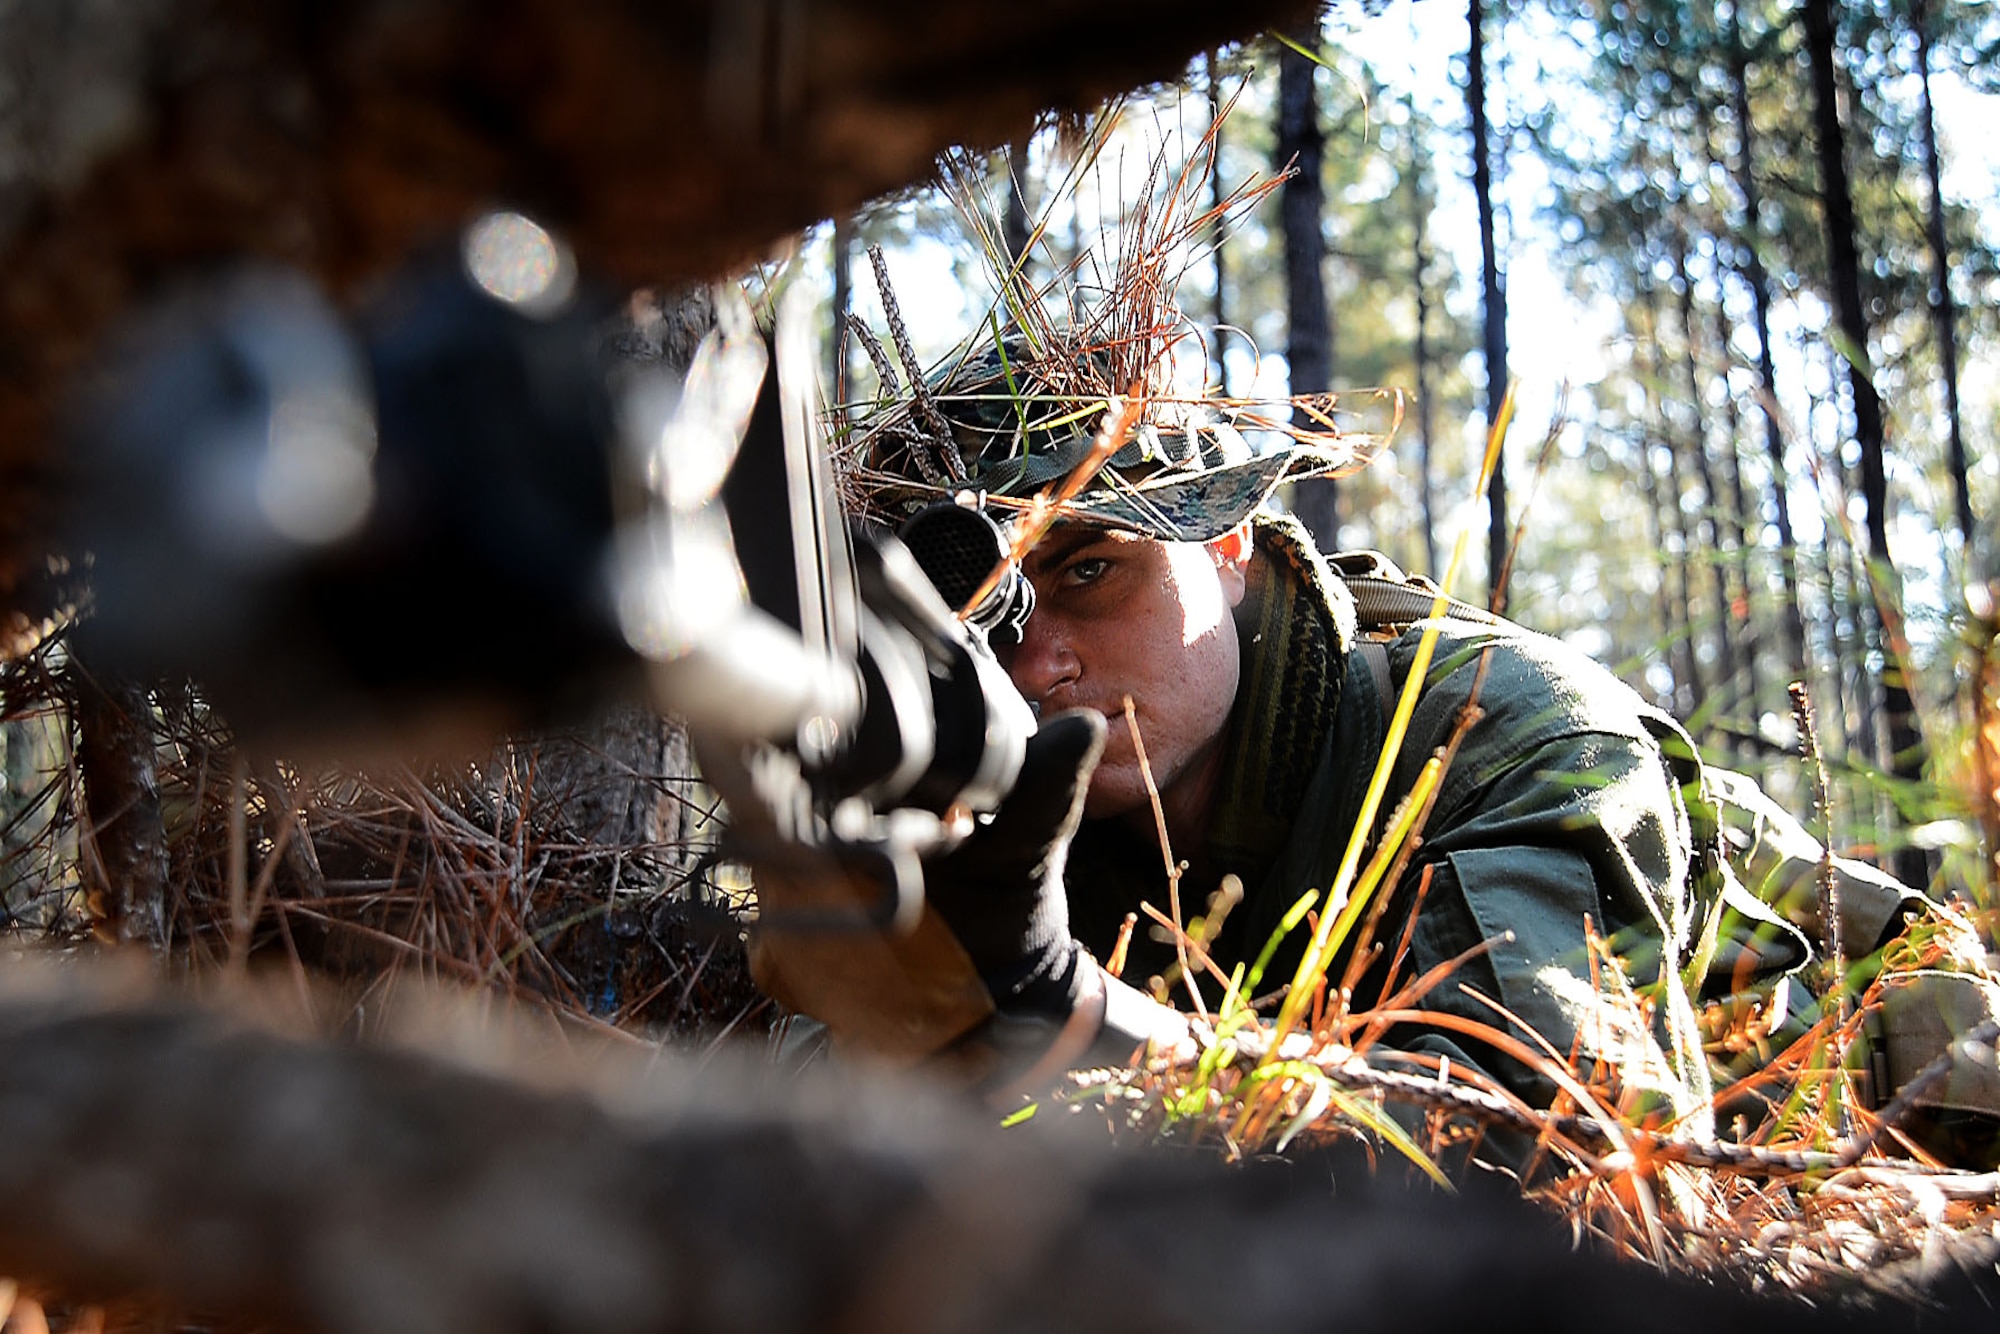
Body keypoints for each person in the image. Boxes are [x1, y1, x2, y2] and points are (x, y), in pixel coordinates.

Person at [746, 331, 1996, 1157]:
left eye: (1089, 569)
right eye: (987, 625)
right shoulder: (998, 797)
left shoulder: (1502, 729)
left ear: (1228, 544)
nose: (1040, 663)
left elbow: (1542, 1157)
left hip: (1916, 1103)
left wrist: (1072, 1017)